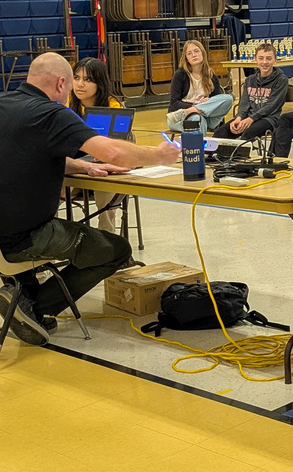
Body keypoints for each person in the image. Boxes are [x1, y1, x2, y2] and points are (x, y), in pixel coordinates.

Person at [0, 53, 179, 346]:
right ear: (61, 84)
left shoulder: (5, 103)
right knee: (116, 250)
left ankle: (19, 293)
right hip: (24, 235)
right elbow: (115, 153)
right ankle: (32, 307)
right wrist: (160, 155)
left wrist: (83, 166)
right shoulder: (51, 114)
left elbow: (30, 151)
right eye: (71, 86)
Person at [67, 57, 126, 234]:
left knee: (105, 193)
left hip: (104, 168)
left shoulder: (113, 107)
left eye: (88, 79)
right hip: (77, 166)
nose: (80, 84)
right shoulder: (67, 106)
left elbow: (117, 146)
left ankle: (107, 244)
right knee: (50, 189)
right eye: (76, 78)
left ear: (100, 83)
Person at [213, 43, 289, 141]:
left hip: (269, 119)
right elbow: (244, 103)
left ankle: (240, 156)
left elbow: (271, 106)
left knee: (247, 134)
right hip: (248, 118)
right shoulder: (250, 80)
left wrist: (251, 119)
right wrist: (239, 118)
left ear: (275, 60)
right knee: (220, 133)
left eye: (269, 58)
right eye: (261, 58)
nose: (264, 62)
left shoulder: (281, 80)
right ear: (255, 59)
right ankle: (221, 156)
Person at [166, 39, 235, 134]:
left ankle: (195, 112)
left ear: (203, 53)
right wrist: (194, 106)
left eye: (196, 51)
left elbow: (216, 101)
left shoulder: (210, 74)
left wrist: (207, 101)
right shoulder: (180, 74)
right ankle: (199, 148)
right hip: (178, 117)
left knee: (228, 98)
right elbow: (174, 103)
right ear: (186, 58)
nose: (194, 55)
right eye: (189, 53)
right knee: (196, 119)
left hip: (207, 116)